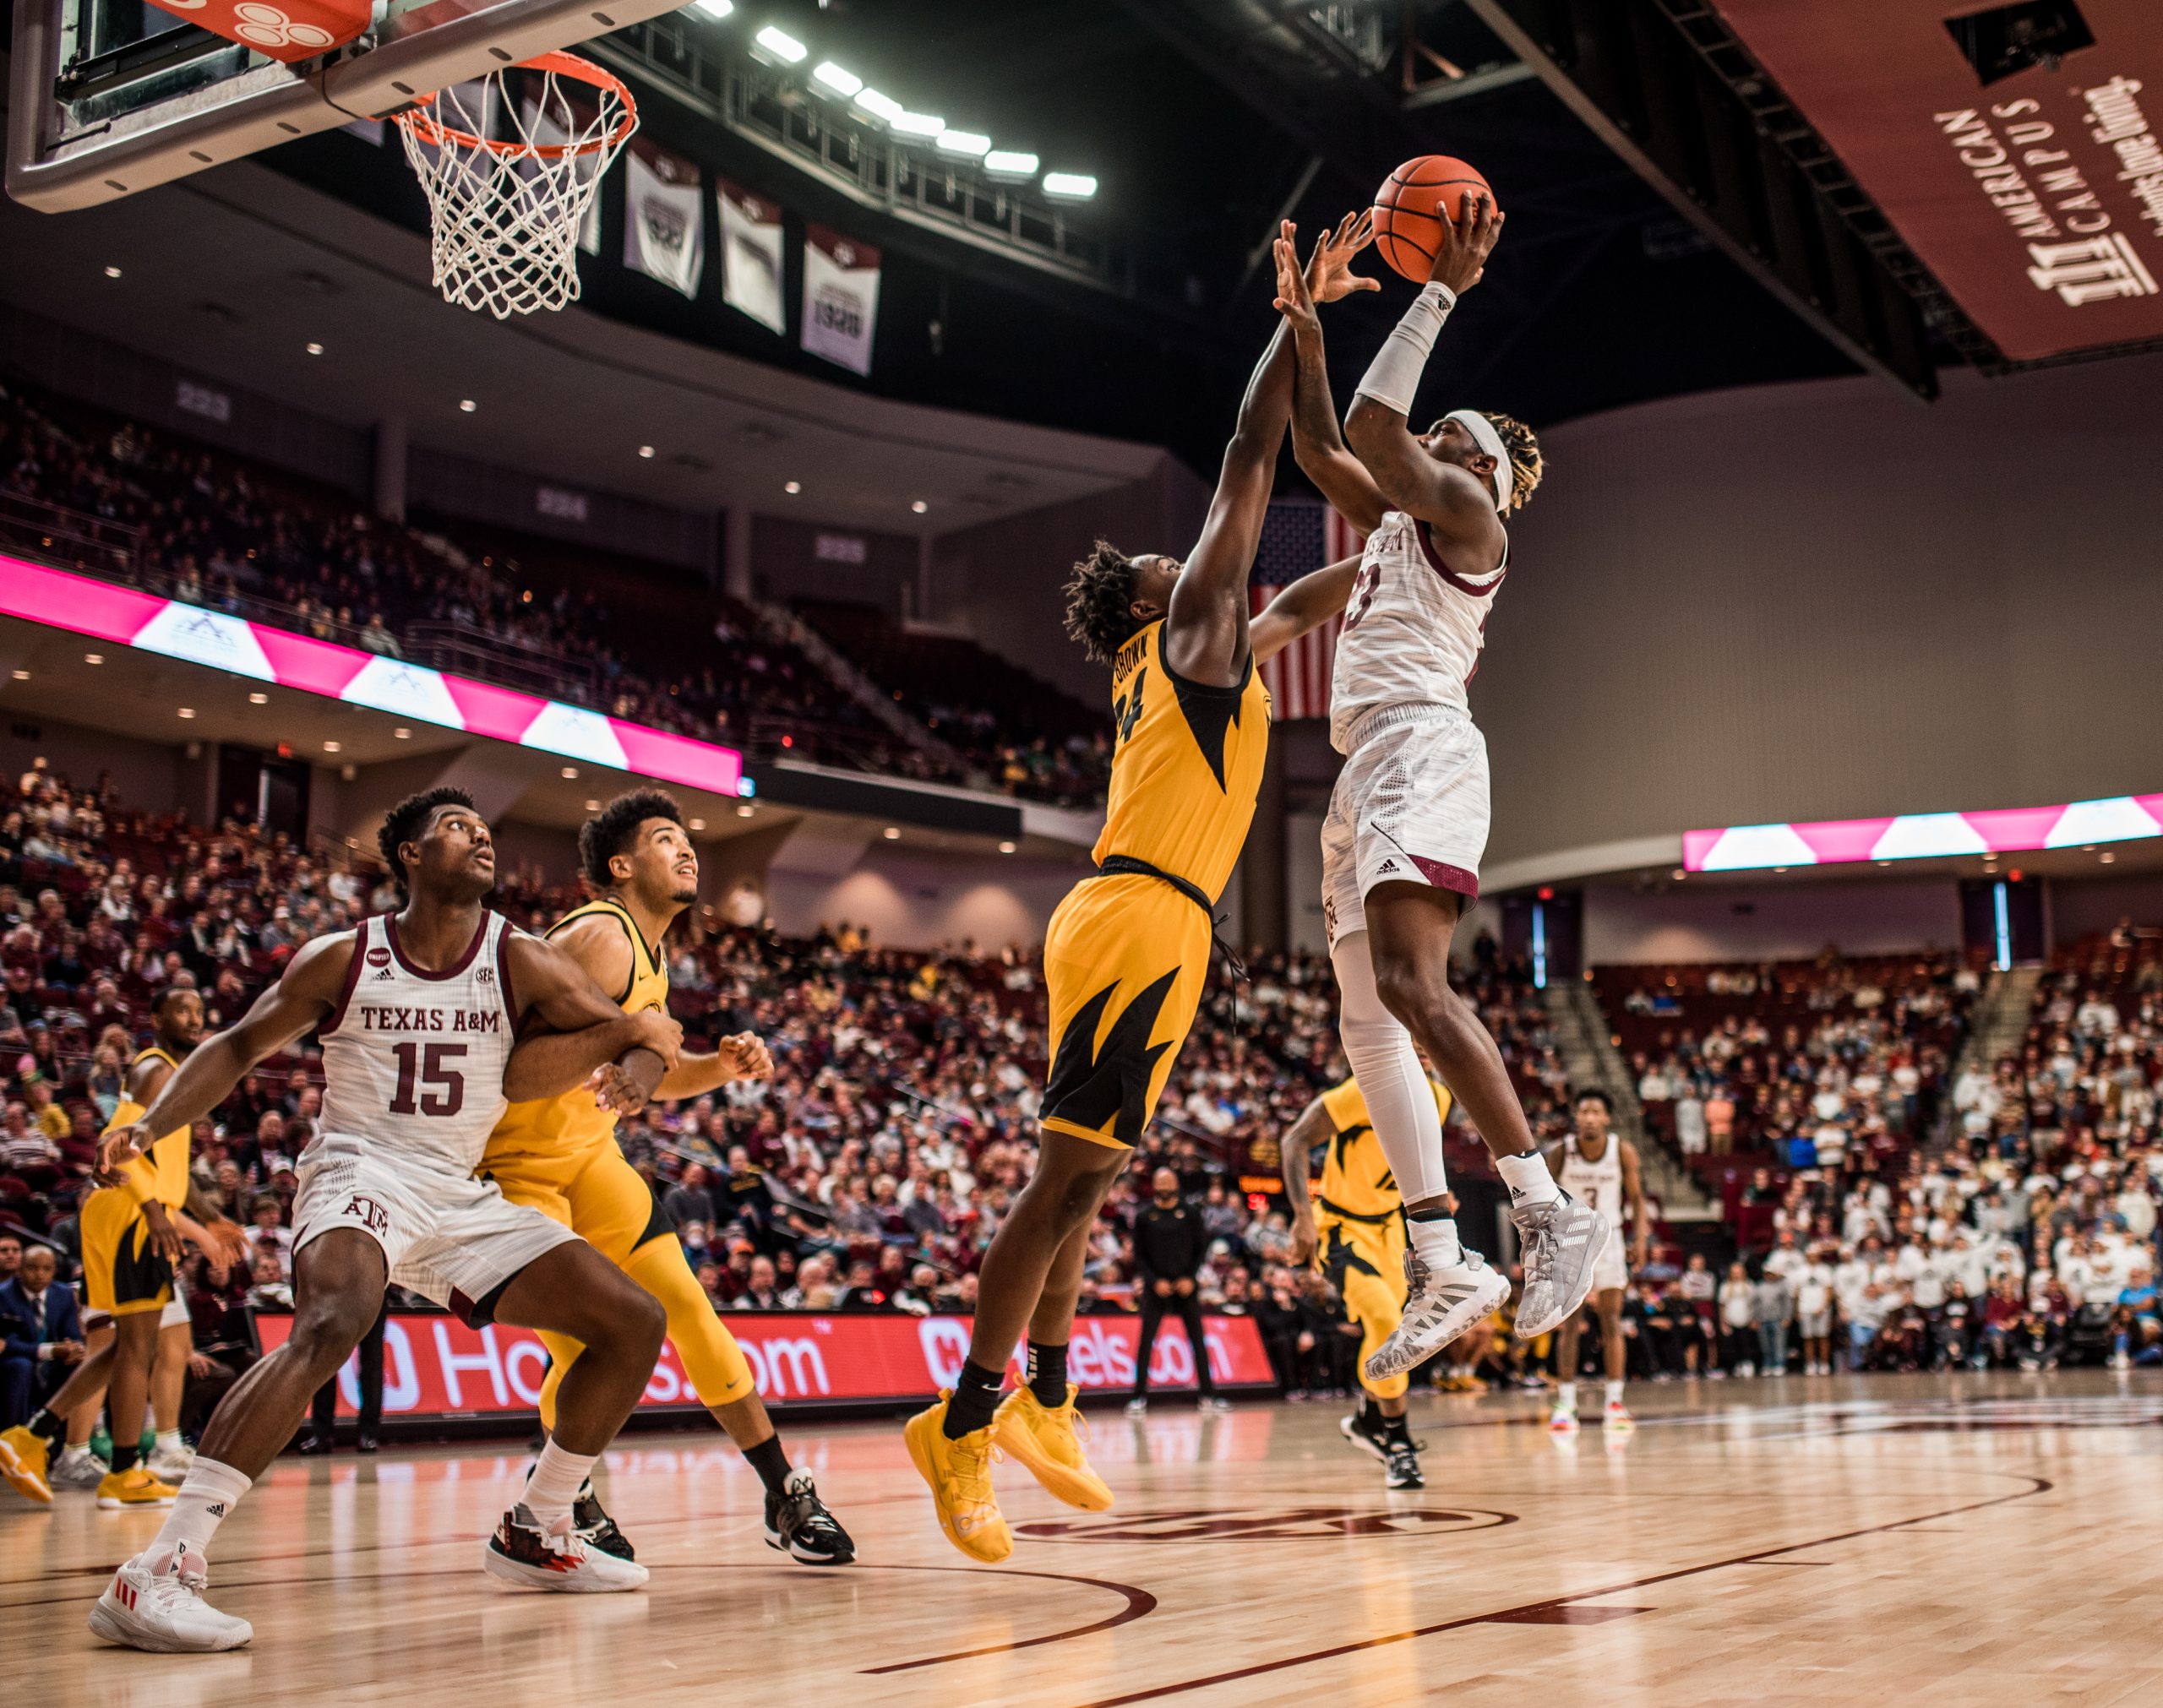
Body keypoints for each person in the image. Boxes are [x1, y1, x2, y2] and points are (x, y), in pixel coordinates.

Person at [902, 219, 1369, 1566]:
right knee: (1060, 1183)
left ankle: (1046, 1393)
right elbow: (1248, 460)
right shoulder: (1187, 631)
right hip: (1139, 918)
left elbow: (1309, 602)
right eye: (1181, 566)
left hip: (1142, 918)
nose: (1205, 562)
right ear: (1156, 603)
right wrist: (1297, 322)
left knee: (1088, 1181)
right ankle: (966, 1422)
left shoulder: (1186, 660)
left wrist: (1417, 560)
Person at [71, 786, 688, 1652]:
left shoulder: (517, 957)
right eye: (455, 828)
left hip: (458, 1192)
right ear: (407, 854)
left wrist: (637, 1074)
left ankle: (538, 1528)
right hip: (357, 1169)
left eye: (483, 829)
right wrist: (149, 1125)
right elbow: (238, 1046)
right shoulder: (344, 956)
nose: (480, 838)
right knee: (332, 1320)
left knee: (633, 1322)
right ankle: (160, 1571)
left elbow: (643, 1028)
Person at [1276, 185, 1607, 1379]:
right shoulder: (1396, 531)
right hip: (1366, 766)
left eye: (1451, 433)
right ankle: (1444, 1253)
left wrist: (1436, 294)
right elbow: (1321, 445)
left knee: (1415, 986)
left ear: (1481, 465)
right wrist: (1304, 325)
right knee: (1369, 1024)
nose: (1435, 444)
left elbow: (1369, 432)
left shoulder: (1469, 511)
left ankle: (1546, 1206)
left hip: (1423, 744)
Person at [481, 790, 852, 1565]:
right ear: (621, 867)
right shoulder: (600, 936)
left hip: (587, 1157)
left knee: (687, 1308)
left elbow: (648, 1068)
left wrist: (717, 1065)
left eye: (687, 840)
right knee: (585, 1346)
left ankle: (782, 1491)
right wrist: (622, 1045)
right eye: (662, 840)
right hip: (514, 1166)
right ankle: (562, 1499)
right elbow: (512, 1070)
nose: (686, 850)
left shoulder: (649, 949)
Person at [1, 988, 246, 1508]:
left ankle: (36, 1434)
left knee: (127, 1346)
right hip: (132, 1216)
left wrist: (212, 1218)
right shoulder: (155, 1069)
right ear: (154, 1018)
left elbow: (175, 1177)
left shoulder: (178, 1080)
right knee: (138, 1347)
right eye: (182, 1009)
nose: (195, 1019)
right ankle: (121, 1469)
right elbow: (119, 1141)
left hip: (134, 1212)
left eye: (200, 1012)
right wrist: (155, 1213)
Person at [1281, 1064, 1454, 1488]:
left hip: (1390, 1231)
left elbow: (1418, 1161)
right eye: (1411, 1041)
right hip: (1341, 1229)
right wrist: (1303, 1216)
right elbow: (1293, 1141)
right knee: (1383, 1320)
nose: (1422, 1053)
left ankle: (1369, 1420)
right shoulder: (1363, 1090)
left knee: (1393, 1334)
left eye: (1427, 1046)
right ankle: (1398, 1444)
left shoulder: (1440, 1098)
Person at [1546, 1091, 1649, 1434]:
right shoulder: (1561, 1151)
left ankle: (1615, 1404)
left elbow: (1636, 1199)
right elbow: (1541, 1198)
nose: (1589, 1116)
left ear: (1606, 1118)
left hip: (1611, 1239)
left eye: (1596, 1111)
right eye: (1584, 1110)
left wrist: (1640, 1239)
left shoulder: (1622, 1150)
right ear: (1576, 1116)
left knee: (1611, 1320)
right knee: (1570, 1324)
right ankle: (1565, 1404)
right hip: (1571, 1240)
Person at [1125, 1168, 1226, 1417]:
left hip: (1186, 1287)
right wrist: (1153, 1280)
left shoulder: (1191, 1214)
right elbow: (1138, 1255)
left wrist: (1190, 1278)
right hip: (1155, 1288)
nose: (1166, 1185)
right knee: (1146, 1342)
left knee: (1197, 1341)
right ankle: (1138, 1397)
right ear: (1154, 1185)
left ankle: (1208, 1395)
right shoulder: (1144, 1216)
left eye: (1170, 1181)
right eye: (1161, 1181)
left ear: (1177, 1184)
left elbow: (1201, 1249)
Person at [1, 1244, 82, 1429]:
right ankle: (13, 1434)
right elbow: (6, 1344)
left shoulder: (63, 1294)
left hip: (53, 1364)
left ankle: (77, 1438)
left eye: (47, 1269)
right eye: (32, 1268)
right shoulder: (3, 1295)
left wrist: (75, 1349)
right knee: (21, 1366)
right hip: (16, 1362)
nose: (40, 1275)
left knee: (81, 1364)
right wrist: (51, 1350)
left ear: (55, 1270)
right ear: (20, 1270)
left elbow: (72, 1335)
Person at [300, 1298, 386, 1453]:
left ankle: (369, 1433)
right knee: (325, 1363)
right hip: (334, 1294)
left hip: (372, 1294)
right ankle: (321, 1434)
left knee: (372, 1364)